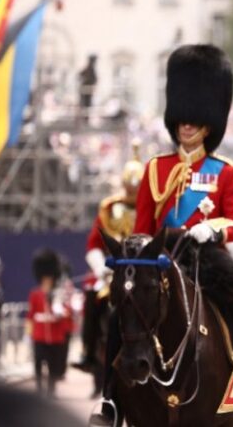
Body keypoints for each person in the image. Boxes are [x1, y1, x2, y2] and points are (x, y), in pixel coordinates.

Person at [91, 44, 233, 426]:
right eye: (182, 119)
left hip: (206, 261)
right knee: (119, 313)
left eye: (194, 120)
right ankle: (110, 398)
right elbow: (143, 226)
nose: (186, 125)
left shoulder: (224, 171)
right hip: (159, 262)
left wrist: (211, 228)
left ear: (209, 123)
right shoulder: (155, 169)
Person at [73, 141, 143, 399]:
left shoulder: (151, 206)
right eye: (130, 185)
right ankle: (89, 351)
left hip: (141, 272)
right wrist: (102, 269)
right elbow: (93, 244)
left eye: (137, 186)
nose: (133, 190)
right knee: (93, 299)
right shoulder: (109, 208)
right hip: (110, 270)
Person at [26, 249, 69, 398]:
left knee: (53, 366)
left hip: (55, 336)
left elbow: (65, 312)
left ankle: (51, 390)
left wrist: (59, 314)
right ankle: (39, 389)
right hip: (39, 335)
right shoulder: (35, 293)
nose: (47, 279)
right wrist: (28, 334)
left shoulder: (59, 293)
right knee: (38, 363)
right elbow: (31, 315)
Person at [78, 54, 97, 124]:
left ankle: (86, 119)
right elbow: (80, 75)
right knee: (85, 105)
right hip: (85, 90)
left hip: (87, 90)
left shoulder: (91, 69)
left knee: (87, 105)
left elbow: (94, 79)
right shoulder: (89, 69)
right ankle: (84, 119)